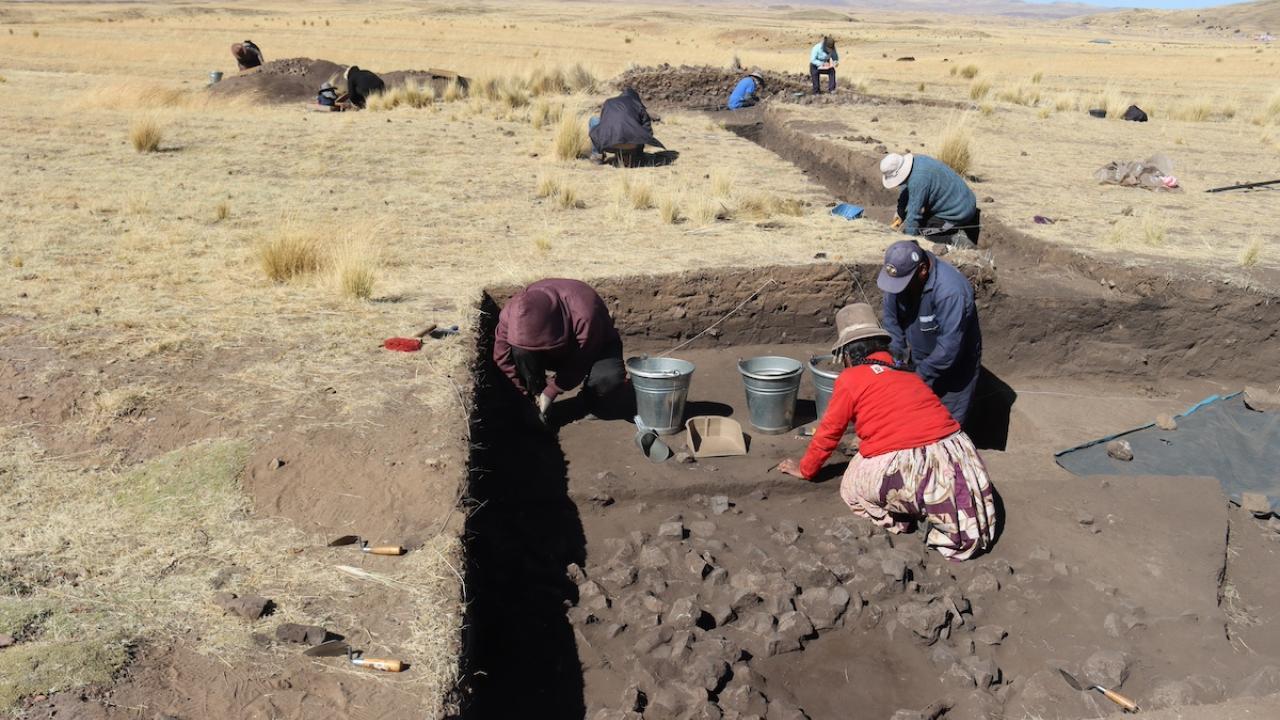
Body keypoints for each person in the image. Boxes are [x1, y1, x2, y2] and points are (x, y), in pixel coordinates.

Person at [777, 304, 998, 561]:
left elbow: (828, 432)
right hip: (959, 455)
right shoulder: (908, 374)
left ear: (847, 354)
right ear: (882, 347)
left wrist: (806, 469)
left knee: (852, 486)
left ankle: (900, 519)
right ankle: (930, 508)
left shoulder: (850, 379)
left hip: (914, 465)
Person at [493, 279, 631, 424]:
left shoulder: (585, 314)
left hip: (596, 345)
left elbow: (580, 362)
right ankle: (535, 394)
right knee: (520, 352)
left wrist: (550, 392)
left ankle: (590, 400)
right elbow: (502, 359)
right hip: (556, 351)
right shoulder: (510, 313)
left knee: (607, 378)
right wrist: (522, 393)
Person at [877, 240, 982, 427]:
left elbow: (949, 348)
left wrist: (918, 377)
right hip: (920, 358)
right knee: (914, 423)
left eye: (903, 284)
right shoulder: (900, 278)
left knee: (944, 430)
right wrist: (896, 361)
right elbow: (891, 322)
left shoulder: (951, 292)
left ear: (923, 270)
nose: (897, 289)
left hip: (954, 370)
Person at [881, 153, 981, 248]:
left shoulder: (918, 181)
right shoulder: (917, 162)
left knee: (924, 233)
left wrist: (908, 240)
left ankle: (958, 239)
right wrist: (900, 212)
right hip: (963, 199)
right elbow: (905, 190)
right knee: (921, 223)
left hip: (959, 212)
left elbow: (914, 215)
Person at [588, 87, 664, 165]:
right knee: (639, 127)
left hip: (610, 145)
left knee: (594, 120)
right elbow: (648, 132)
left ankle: (597, 156)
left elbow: (604, 124)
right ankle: (637, 155)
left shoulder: (609, 102)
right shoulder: (638, 104)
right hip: (633, 147)